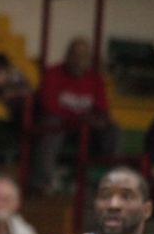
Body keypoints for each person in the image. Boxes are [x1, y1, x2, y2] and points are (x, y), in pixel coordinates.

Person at [31, 37, 119, 195]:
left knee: (112, 129)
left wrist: (97, 120)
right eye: (75, 55)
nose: (79, 60)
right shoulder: (53, 74)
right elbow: (48, 106)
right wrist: (78, 118)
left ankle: (113, 183)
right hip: (59, 127)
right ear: (67, 56)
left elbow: (103, 111)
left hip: (84, 130)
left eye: (84, 56)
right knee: (53, 123)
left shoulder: (95, 80)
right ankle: (43, 183)